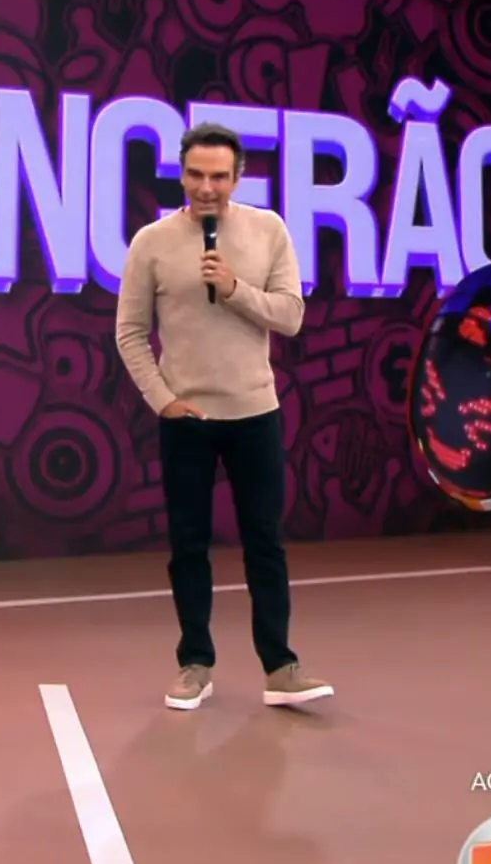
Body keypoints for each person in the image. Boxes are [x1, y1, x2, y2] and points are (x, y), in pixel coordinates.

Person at [113, 121, 333, 711]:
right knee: (188, 545)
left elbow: (291, 316)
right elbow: (130, 332)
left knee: (265, 543)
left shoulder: (268, 230)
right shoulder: (152, 242)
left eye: (218, 176)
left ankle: (280, 666)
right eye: (195, 175)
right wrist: (163, 399)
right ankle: (195, 663)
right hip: (187, 418)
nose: (206, 187)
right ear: (181, 175)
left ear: (237, 178)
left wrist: (234, 288)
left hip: (255, 412)